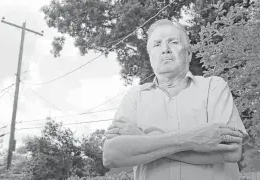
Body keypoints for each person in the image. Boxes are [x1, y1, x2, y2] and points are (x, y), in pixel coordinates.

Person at [102, 19, 249, 180]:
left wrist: (143, 140)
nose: (165, 49)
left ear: (189, 53)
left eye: (173, 42)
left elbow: (232, 151)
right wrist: (193, 139)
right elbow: (111, 155)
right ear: (151, 57)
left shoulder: (214, 87)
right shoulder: (134, 97)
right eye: (157, 44)